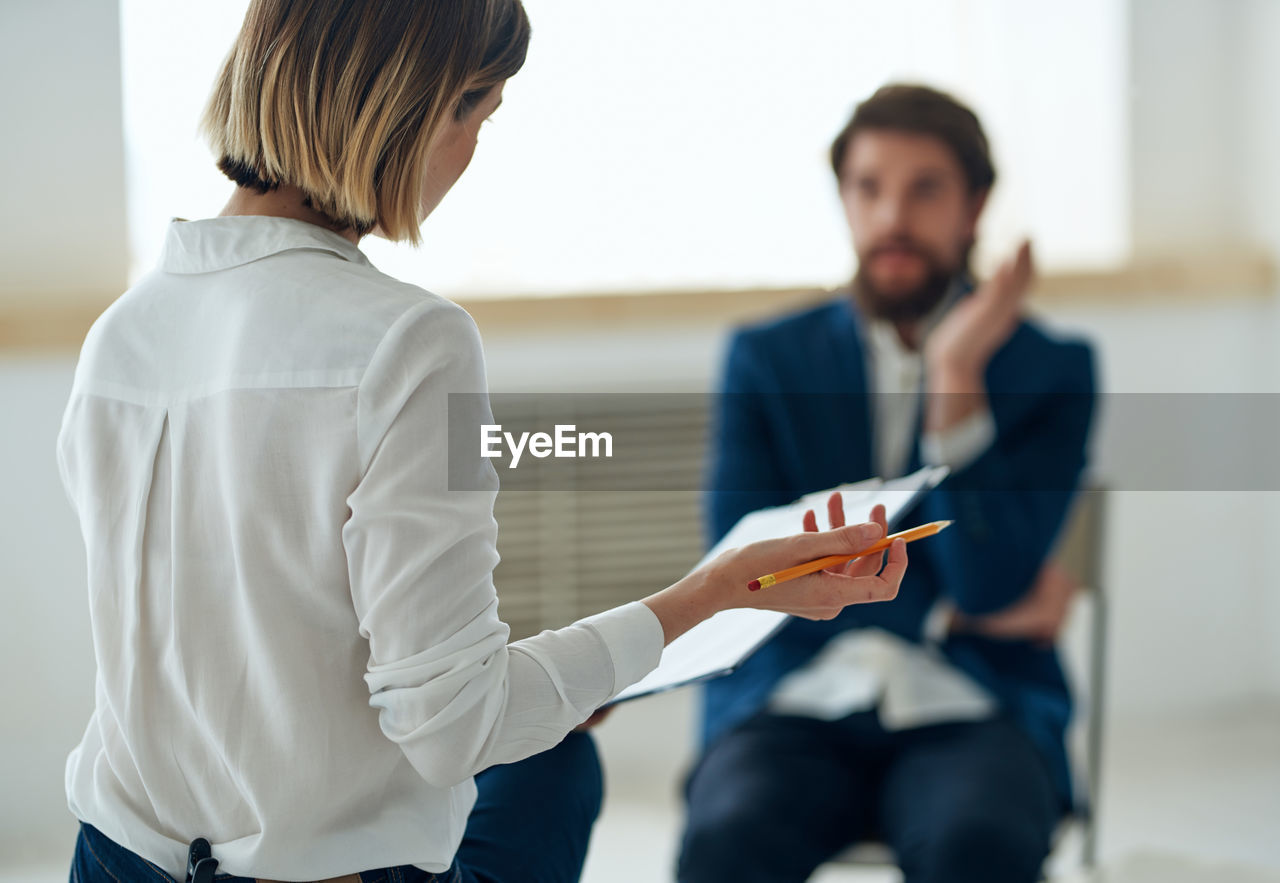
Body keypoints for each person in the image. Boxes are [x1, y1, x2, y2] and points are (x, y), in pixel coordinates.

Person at [59, 4, 910, 882]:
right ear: (422, 106)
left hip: (112, 854)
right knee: (555, 769)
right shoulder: (408, 340)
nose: (470, 153)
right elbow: (452, 729)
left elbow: (251, 635)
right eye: (482, 115)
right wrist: (715, 593)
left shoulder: (122, 334)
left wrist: (540, 683)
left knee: (543, 745)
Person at [677, 84, 1096, 883]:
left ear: (975, 206)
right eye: (869, 188)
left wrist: (955, 376)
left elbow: (990, 577)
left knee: (980, 844)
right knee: (726, 838)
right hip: (791, 696)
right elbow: (747, 567)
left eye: (924, 188)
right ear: (844, 199)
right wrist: (967, 605)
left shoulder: (1053, 371)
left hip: (975, 703)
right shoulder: (766, 359)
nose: (891, 217)